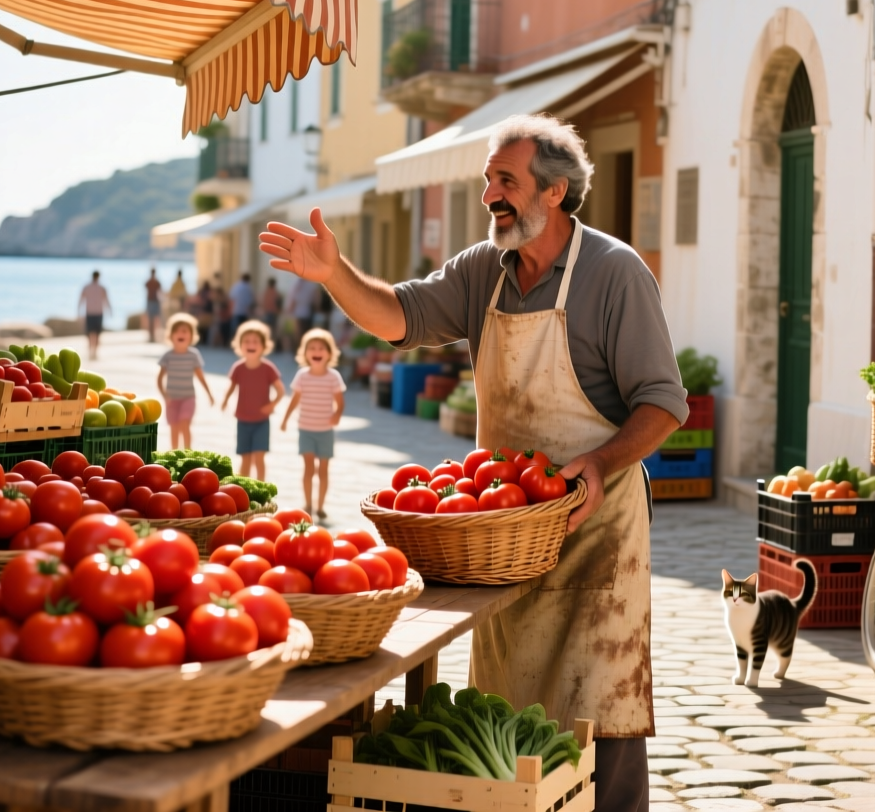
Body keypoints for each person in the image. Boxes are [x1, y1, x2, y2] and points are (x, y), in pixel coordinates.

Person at [261, 114, 685, 812]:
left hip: (594, 540)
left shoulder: (614, 274)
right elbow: (400, 316)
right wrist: (334, 273)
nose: (490, 191)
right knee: (507, 711)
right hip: (505, 542)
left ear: (553, 192)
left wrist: (604, 462)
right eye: (488, 177)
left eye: (506, 180)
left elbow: (664, 404)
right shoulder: (480, 271)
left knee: (599, 709)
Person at [279, 328, 346, 518]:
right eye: (312, 348)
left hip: (325, 431)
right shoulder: (302, 376)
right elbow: (294, 399)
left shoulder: (333, 377)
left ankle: (321, 506)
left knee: (323, 470)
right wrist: (284, 419)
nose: (317, 351)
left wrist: (337, 414)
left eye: (321, 348)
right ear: (305, 352)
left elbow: (340, 402)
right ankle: (308, 503)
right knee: (309, 468)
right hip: (306, 429)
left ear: (330, 353)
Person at [222, 319, 282, 481]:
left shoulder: (268, 368)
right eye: (247, 341)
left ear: (264, 346)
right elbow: (232, 386)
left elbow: (281, 391)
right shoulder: (238, 368)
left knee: (259, 457)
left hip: (262, 421)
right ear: (240, 345)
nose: (251, 344)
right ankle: (243, 487)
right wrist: (225, 400)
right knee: (245, 457)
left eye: (255, 341)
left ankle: (260, 486)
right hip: (242, 419)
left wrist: (272, 405)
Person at [156, 312, 215, 452]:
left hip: (188, 398)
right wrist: (165, 396)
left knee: (184, 424)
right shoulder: (167, 356)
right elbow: (159, 379)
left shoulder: (194, 355)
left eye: (184, 331)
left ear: (191, 335)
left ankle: (188, 452)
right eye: (176, 331)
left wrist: (209, 394)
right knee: (174, 428)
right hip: (172, 399)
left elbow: (201, 377)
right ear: (170, 336)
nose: (180, 334)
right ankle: (174, 453)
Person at [77, 270, 112, 362]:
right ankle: (94, 352)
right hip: (98, 313)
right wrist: (110, 310)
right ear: (98, 277)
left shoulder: (87, 287)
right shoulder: (102, 288)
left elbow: (81, 299)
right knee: (97, 334)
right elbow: (106, 300)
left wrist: (78, 311)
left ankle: (91, 352)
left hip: (90, 313)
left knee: (90, 333)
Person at [229, 273, 255, 340]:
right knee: (244, 328)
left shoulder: (237, 286)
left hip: (236, 310)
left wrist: (231, 310)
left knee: (236, 328)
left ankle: (234, 341)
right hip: (245, 311)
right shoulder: (249, 288)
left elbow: (232, 298)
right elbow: (251, 300)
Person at [143, 268, 163, 343]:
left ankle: (152, 336)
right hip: (153, 301)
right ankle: (153, 336)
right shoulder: (156, 282)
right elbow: (160, 291)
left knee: (152, 319)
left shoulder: (149, 282)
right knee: (155, 319)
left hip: (151, 301)